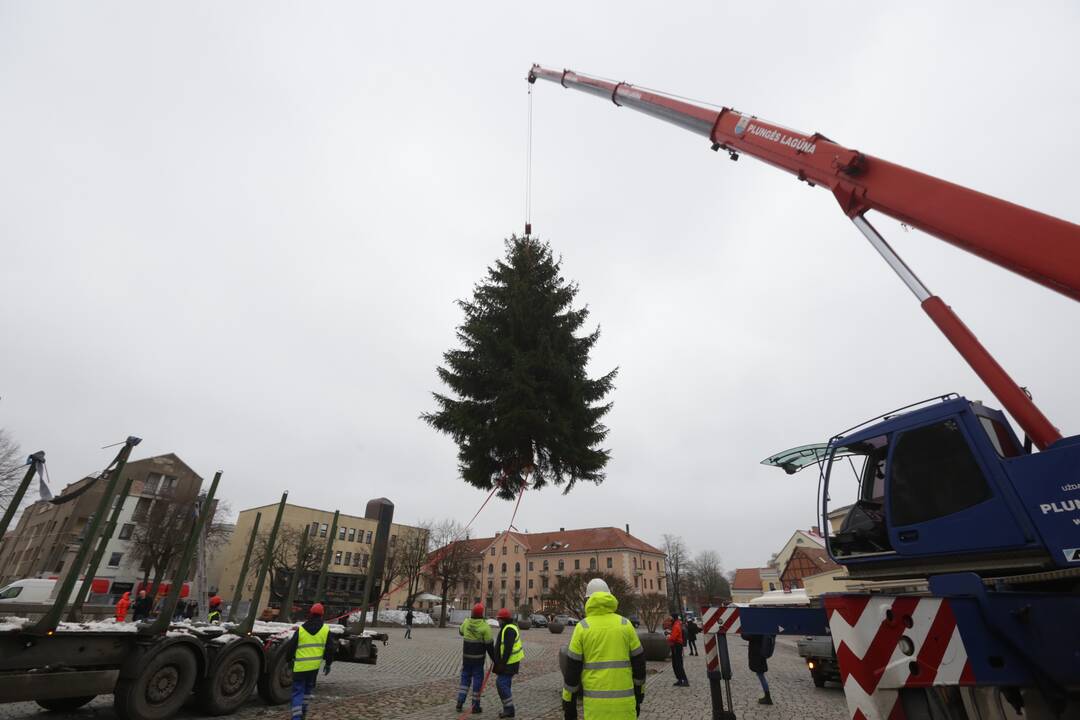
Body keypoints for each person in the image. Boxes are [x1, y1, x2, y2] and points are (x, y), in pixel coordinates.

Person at [562, 578, 646, 720]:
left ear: (587, 599)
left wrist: (568, 704)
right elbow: (640, 667)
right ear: (610, 596)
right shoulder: (625, 624)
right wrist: (639, 695)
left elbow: (572, 672)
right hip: (625, 706)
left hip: (595, 708)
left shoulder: (582, 627)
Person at [284, 603, 334, 720]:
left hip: (300, 667)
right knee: (307, 691)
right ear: (322, 615)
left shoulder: (301, 629)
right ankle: (304, 712)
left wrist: (289, 660)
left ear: (310, 613)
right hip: (313, 668)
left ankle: (296, 717)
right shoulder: (325, 630)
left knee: (297, 691)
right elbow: (330, 649)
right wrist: (328, 663)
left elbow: (291, 647)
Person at [457, 603, 495, 714]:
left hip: (466, 659)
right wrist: (495, 659)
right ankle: (475, 706)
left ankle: (460, 702)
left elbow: (460, 632)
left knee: (464, 680)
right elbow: (489, 646)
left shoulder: (466, 622)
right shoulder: (485, 627)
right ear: (482, 614)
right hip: (478, 661)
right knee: (477, 682)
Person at [493, 607, 523, 718]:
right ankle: (508, 709)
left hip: (509, 663)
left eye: (499, 619)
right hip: (509, 662)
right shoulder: (507, 627)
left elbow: (508, 649)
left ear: (503, 619)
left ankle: (509, 709)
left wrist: (501, 663)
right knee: (505, 684)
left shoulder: (509, 629)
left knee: (501, 683)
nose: (498, 621)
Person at [746, 634, 775, 705]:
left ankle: (768, 697)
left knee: (761, 675)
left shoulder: (758, 632)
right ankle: (767, 697)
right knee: (760, 675)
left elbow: (747, 636)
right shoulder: (763, 630)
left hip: (757, 655)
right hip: (761, 654)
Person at [668, 613, 689, 686]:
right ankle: (680, 679)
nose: (670, 620)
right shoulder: (676, 625)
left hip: (677, 646)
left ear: (674, 618)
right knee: (675, 664)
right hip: (675, 646)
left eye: (671, 618)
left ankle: (685, 680)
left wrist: (668, 637)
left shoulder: (676, 625)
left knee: (678, 664)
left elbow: (673, 638)